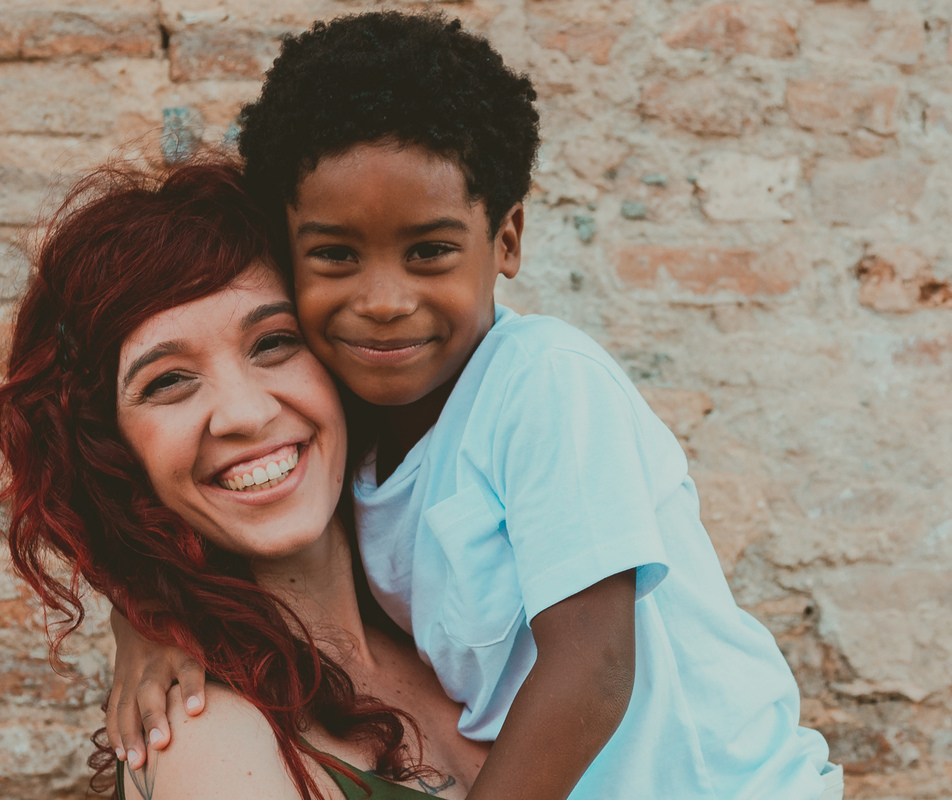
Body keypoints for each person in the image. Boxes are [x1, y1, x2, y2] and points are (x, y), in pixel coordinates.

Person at [107, 11, 843, 800]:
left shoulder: (544, 385)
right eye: (335, 255)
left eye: (429, 252)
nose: (384, 300)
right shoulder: (354, 438)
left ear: (508, 240)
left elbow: (594, 665)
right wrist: (139, 619)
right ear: (288, 254)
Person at [0, 160, 491, 800]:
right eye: (168, 381)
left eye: (274, 343)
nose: (247, 413)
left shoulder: (457, 612)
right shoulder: (209, 737)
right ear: (111, 449)